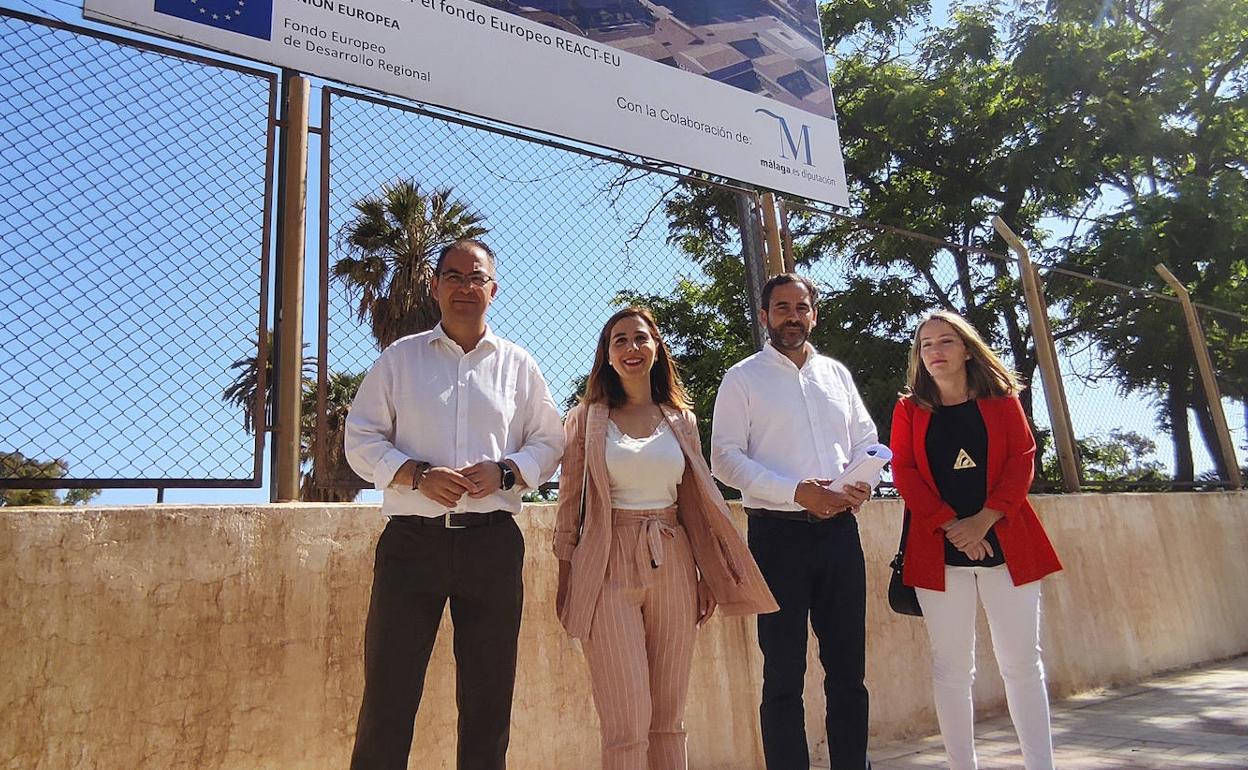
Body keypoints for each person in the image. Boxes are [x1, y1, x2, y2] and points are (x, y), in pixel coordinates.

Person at [343, 238, 564, 770]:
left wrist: (507, 471)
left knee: (489, 702)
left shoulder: (519, 365)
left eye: (477, 278)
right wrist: (416, 474)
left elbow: (550, 442)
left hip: (492, 546)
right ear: (435, 285)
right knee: (388, 696)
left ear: (494, 289)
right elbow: (359, 439)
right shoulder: (400, 359)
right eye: (454, 276)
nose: (466, 287)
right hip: (410, 546)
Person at [553, 306, 777, 770]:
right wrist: (565, 577)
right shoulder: (585, 418)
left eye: (640, 338)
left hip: (673, 559)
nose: (631, 348)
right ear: (607, 356)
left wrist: (704, 576)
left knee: (669, 718)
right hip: (606, 562)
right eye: (619, 341)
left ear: (656, 347)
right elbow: (569, 504)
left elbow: (694, 505)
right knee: (626, 721)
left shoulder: (682, 419)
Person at [710, 273, 879, 770]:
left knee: (848, 671)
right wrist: (796, 492)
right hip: (776, 538)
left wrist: (862, 481)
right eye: (781, 308)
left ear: (814, 314)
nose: (792, 316)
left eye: (801, 307)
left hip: (840, 536)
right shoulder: (742, 378)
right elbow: (724, 459)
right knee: (782, 676)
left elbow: (865, 440)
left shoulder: (836, 374)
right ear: (764, 316)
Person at [889, 310, 1062, 770]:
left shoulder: (1002, 402)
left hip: (1008, 544)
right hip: (937, 550)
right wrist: (953, 526)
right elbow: (903, 472)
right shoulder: (908, 409)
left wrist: (983, 521)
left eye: (945, 342)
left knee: (1022, 663)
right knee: (951, 669)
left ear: (967, 348)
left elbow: (1022, 460)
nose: (934, 352)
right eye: (925, 344)